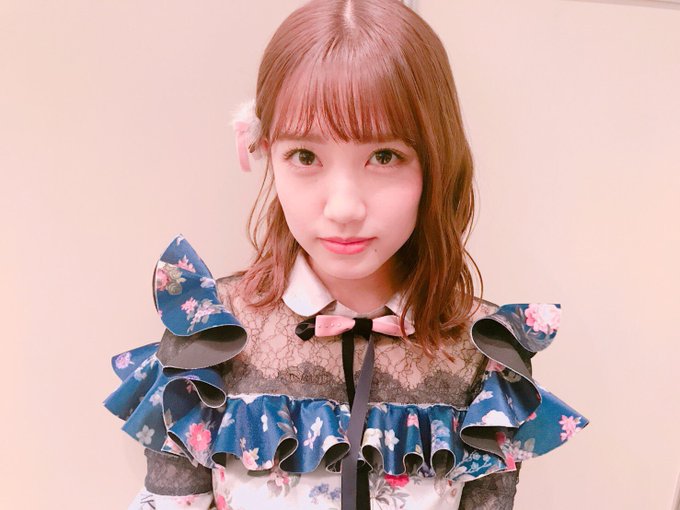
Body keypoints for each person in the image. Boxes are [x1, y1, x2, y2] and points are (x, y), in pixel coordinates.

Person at [104, 0, 588, 508]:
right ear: (264, 151)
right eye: (305, 155)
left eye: (384, 156)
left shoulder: (486, 355)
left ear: (436, 162)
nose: (343, 208)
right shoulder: (210, 336)